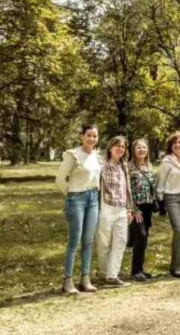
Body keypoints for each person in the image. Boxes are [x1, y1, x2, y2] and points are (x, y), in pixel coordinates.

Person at [56, 124, 102, 294]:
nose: (92, 139)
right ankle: (68, 281)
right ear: (81, 136)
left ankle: (85, 279)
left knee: (88, 240)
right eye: (89, 135)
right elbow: (60, 179)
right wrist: (71, 195)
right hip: (76, 199)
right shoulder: (72, 154)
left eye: (95, 136)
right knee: (74, 240)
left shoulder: (97, 156)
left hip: (93, 199)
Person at [97, 136, 134, 287]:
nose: (120, 149)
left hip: (121, 209)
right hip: (105, 208)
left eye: (123, 147)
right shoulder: (102, 165)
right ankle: (106, 273)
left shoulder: (123, 166)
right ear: (110, 147)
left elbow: (127, 189)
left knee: (121, 241)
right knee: (104, 243)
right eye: (117, 146)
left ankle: (112, 276)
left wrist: (130, 208)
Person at [156, 132, 180, 278]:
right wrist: (160, 202)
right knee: (178, 230)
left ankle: (178, 264)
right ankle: (177, 267)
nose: (178, 145)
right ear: (170, 146)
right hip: (172, 198)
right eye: (175, 143)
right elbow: (161, 181)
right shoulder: (167, 162)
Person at [128, 138, 157, 282]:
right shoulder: (128, 167)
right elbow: (126, 190)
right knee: (140, 236)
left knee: (144, 239)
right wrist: (133, 208)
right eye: (138, 147)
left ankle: (140, 269)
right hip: (136, 208)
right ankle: (135, 271)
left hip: (148, 207)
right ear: (133, 150)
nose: (142, 150)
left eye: (144, 147)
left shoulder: (149, 167)